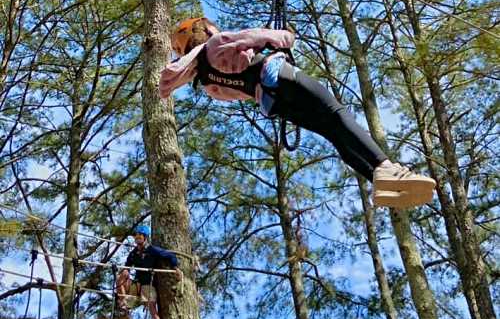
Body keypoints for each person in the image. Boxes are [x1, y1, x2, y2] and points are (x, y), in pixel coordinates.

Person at [159, 18, 436, 209]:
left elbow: (243, 88)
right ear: (204, 29)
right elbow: (269, 38)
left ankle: (377, 178)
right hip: (279, 77)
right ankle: (385, 167)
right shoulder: (217, 42)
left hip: (275, 104)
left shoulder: (208, 84)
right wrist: (284, 37)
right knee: (336, 114)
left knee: (331, 132)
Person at [116, 225, 182, 319]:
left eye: (140, 236)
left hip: (148, 285)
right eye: (136, 236)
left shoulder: (152, 250)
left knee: (152, 309)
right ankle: (124, 304)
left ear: (145, 237)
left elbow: (170, 256)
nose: (137, 238)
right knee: (120, 277)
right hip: (137, 286)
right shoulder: (133, 254)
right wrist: (125, 270)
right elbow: (127, 265)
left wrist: (175, 267)